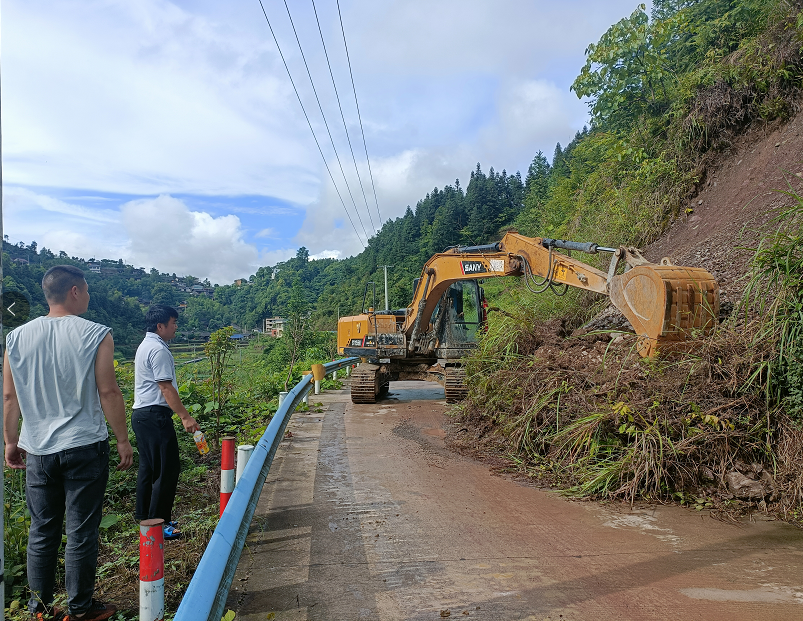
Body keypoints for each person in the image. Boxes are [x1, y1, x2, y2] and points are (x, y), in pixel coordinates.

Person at [4, 265, 133, 621]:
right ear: (74, 291)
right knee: (80, 530)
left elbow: (9, 398)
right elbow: (108, 391)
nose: (89, 296)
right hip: (84, 446)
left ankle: (39, 609)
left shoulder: (16, 338)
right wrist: (123, 440)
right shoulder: (95, 334)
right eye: (87, 290)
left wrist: (10, 442)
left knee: (41, 530)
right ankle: (80, 609)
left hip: (38, 450)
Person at [132, 305, 199, 540]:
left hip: (142, 415)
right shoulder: (158, 350)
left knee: (149, 468)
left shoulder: (145, 345)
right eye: (173, 323)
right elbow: (165, 387)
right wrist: (185, 416)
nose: (176, 327)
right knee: (167, 469)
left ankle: (146, 517)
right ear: (160, 326)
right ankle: (160, 522)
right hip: (155, 416)